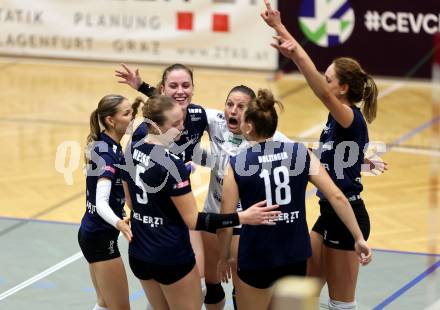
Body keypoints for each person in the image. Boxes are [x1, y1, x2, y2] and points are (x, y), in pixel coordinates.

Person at [261, 2, 378, 308]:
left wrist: (286, 37)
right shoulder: (338, 121)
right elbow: (335, 154)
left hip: (348, 215)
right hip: (329, 214)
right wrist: (362, 160)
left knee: (341, 303)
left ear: (341, 89)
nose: (324, 83)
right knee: (301, 294)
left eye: (328, 79)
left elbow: (321, 93)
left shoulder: (348, 117)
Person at [120, 95, 282, 310]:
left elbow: (130, 201)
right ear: (156, 127)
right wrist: (241, 217)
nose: (182, 127)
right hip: (170, 256)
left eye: (182, 120)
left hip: (139, 252)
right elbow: (193, 221)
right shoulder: (172, 164)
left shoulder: (134, 146)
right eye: (175, 124)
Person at [217, 89, 372, 310]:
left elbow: (227, 218)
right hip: (295, 257)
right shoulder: (301, 153)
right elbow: (337, 195)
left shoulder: (238, 163)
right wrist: (358, 237)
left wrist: (224, 257)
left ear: (249, 126)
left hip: (256, 258)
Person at [116, 63, 208, 300]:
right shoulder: (145, 134)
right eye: (173, 86)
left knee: (201, 282)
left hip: (181, 205)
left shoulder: (199, 116)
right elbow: (129, 173)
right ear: (162, 90)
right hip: (164, 220)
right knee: (176, 287)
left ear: (194, 88)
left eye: (186, 85)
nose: (180, 91)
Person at [201, 85, 290, 310]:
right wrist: (143, 87)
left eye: (241, 107)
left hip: (244, 221)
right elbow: (177, 108)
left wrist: (360, 162)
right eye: (229, 104)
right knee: (211, 284)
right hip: (213, 216)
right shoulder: (217, 121)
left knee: (241, 286)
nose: (233, 110)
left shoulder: (269, 136)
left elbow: (308, 155)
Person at [78, 94, 134, 310]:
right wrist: (118, 222)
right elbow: (101, 202)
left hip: (92, 232)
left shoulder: (105, 143)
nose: (132, 118)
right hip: (100, 237)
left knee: (104, 303)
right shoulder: (108, 153)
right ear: (111, 120)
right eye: (127, 113)